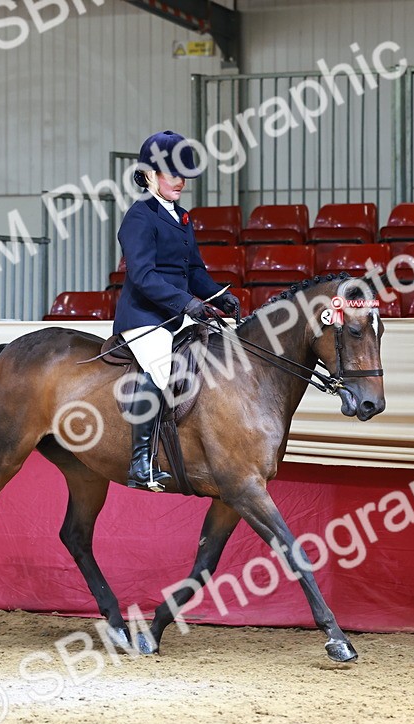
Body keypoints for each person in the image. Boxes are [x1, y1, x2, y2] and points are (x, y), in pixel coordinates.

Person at [114, 130, 241, 492]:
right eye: (172, 173)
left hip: (176, 312)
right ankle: (140, 463)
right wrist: (185, 302)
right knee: (159, 366)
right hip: (145, 316)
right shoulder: (140, 216)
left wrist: (218, 295)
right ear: (150, 174)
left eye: (183, 175)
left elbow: (194, 272)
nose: (180, 181)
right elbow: (142, 276)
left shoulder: (182, 216)